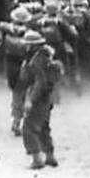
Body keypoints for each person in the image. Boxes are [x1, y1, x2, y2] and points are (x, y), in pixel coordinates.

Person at [20, 30, 64, 169]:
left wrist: (30, 100)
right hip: (47, 97)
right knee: (44, 127)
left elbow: (39, 82)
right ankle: (50, 156)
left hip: (39, 98)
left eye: (28, 45)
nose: (26, 47)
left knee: (28, 127)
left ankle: (37, 158)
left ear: (33, 46)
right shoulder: (46, 57)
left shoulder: (36, 61)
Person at [0, 6, 32, 135]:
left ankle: (16, 119)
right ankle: (18, 120)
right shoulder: (30, 32)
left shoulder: (5, 30)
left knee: (16, 91)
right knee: (22, 91)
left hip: (10, 64)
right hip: (24, 63)